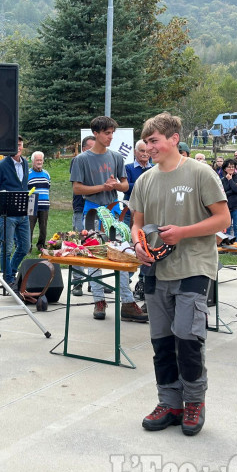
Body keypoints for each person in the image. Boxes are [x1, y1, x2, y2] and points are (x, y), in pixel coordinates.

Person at [130, 111, 230, 436]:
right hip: (155, 270)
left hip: (194, 266)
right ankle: (169, 403)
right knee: (161, 341)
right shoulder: (145, 180)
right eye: (146, 142)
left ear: (173, 139)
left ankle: (194, 403)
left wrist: (183, 232)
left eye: (154, 141)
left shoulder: (200, 173)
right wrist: (138, 244)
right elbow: (136, 222)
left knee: (187, 338)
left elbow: (223, 220)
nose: (149, 147)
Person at [70, 116, 144, 322]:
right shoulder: (81, 159)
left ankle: (127, 302)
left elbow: (125, 185)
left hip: (113, 210)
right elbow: (77, 188)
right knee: (95, 256)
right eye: (107, 133)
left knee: (120, 253)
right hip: (92, 211)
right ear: (96, 133)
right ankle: (98, 300)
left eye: (112, 133)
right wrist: (103, 186)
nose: (110, 137)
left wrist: (115, 186)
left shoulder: (117, 157)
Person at [0, 136, 30, 289]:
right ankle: (7, 280)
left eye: (19, 145)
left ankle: (12, 271)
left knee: (25, 247)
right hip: (7, 214)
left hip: (22, 212)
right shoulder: (1, 166)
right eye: (15, 145)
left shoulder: (25, 163)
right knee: (6, 247)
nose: (18, 148)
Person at [70, 135, 96, 297]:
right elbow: (79, 185)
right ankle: (77, 282)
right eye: (92, 148)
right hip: (81, 209)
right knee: (79, 245)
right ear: (84, 149)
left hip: (96, 210)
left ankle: (95, 282)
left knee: (94, 246)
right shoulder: (78, 161)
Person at [28, 151, 51, 251]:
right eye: (37, 160)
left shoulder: (46, 174)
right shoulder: (28, 174)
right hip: (32, 204)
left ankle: (41, 245)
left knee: (43, 227)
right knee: (29, 227)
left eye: (41, 160)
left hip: (44, 204)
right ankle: (28, 246)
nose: (39, 162)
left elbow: (48, 186)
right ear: (33, 161)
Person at [221, 159, 237, 242]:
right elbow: (223, 193)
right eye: (229, 167)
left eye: (233, 167)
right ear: (225, 169)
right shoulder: (222, 180)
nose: (231, 168)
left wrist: (230, 180)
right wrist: (234, 188)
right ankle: (226, 245)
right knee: (226, 227)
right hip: (227, 206)